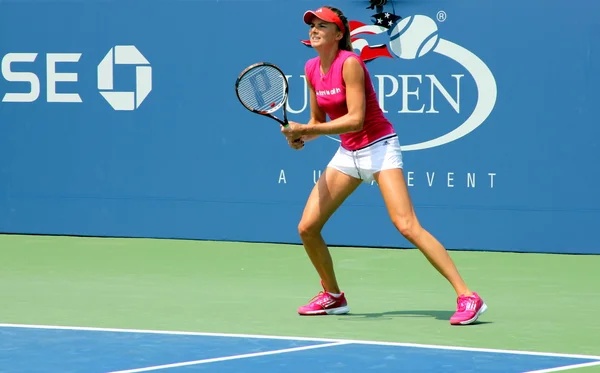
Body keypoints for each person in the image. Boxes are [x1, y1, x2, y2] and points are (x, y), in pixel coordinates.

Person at [279, 5, 488, 325]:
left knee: (406, 225)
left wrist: (308, 130)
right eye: (312, 25)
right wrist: (302, 137)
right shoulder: (310, 68)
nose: (315, 29)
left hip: (379, 147)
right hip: (348, 154)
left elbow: (356, 119)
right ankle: (333, 296)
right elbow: (317, 122)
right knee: (307, 227)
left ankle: (467, 296)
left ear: (339, 34)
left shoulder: (350, 63)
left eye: (323, 25)